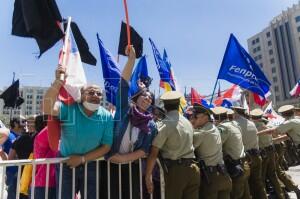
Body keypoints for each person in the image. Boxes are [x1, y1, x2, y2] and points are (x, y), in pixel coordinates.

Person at [43, 62, 113, 199]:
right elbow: (47, 108)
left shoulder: (107, 116)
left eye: (99, 93)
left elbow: (106, 146)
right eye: (91, 92)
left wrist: (81, 159)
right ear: (81, 94)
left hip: (91, 164)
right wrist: (58, 82)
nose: (96, 95)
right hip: (66, 164)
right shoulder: (69, 108)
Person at [105, 46, 157, 199]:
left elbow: (144, 149)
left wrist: (122, 159)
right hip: (110, 166)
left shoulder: (151, 124)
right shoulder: (124, 109)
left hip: (131, 167)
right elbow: (123, 83)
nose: (147, 99)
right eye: (144, 96)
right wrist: (131, 60)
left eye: (150, 99)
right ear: (136, 98)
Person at [145, 91, 200, 199]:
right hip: (193, 168)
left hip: (176, 172)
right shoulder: (187, 122)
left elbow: (154, 152)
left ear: (165, 106)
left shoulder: (165, 124)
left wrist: (148, 176)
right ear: (178, 104)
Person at [189, 104, 232, 199]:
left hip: (211, 177)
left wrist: (191, 125)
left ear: (205, 117)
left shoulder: (201, 133)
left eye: (195, 117)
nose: (193, 119)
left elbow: (187, 147)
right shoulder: (215, 128)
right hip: (223, 174)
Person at [212, 107, 251, 199]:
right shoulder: (234, 125)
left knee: (235, 195)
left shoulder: (223, 127)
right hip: (243, 164)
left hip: (235, 166)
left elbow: (216, 144)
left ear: (217, 118)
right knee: (244, 194)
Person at [250, 109, 286, 199]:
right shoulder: (265, 125)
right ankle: (282, 195)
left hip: (264, 152)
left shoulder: (253, 127)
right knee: (273, 174)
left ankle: (264, 196)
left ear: (252, 117)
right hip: (271, 150)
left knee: (261, 177)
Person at [233, 106, 267, 199]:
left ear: (235, 112)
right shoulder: (251, 123)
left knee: (246, 185)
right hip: (256, 155)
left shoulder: (235, 124)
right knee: (258, 183)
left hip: (247, 158)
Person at [3, 116, 26, 199]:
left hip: (20, 172)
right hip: (10, 172)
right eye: (23, 121)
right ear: (16, 124)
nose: (25, 124)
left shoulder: (21, 137)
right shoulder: (8, 136)